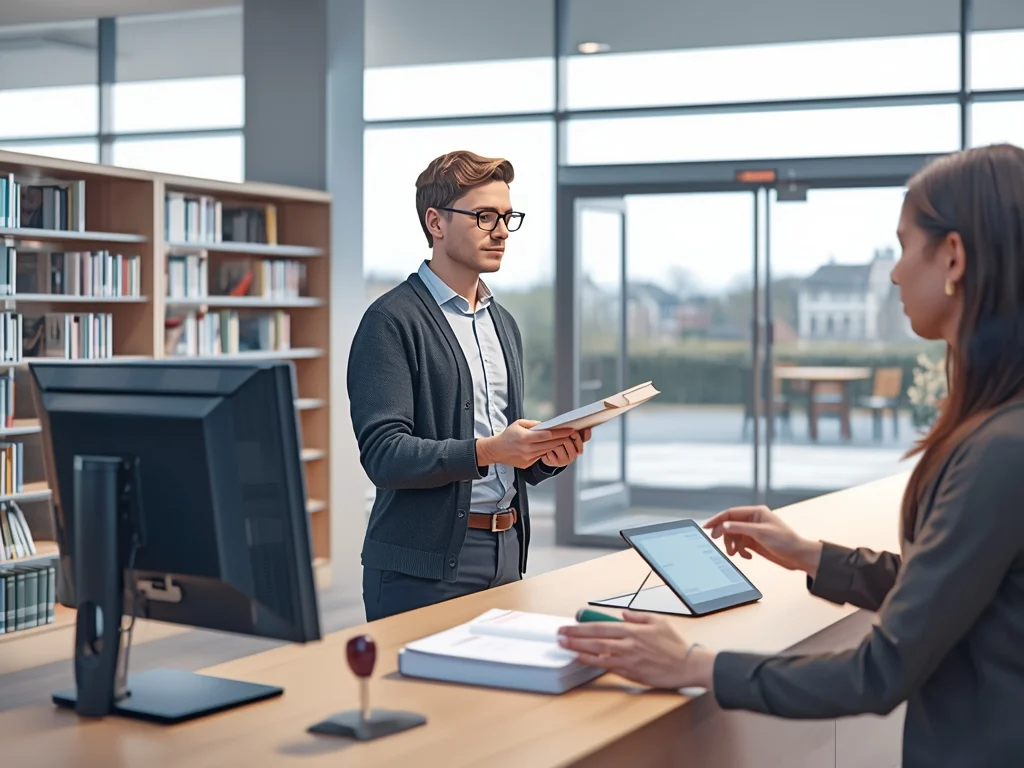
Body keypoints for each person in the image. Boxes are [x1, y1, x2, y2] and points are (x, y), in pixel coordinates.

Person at [558, 143, 1024, 768]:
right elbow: (949, 593)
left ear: (954, 255)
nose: (892, 273)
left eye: (903, 246)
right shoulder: (1001, 429)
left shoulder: (1000, 449)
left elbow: (883, 668)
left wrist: (693, 665)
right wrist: (810, 554)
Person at [349, 150, 590, 621]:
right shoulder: (390, 321)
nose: (501, 231)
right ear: (435, 223)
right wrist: (491, 450)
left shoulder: (503, 323)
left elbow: (504, 458)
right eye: (484, 216)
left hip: (505, 553)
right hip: (421, 570)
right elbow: (384, 455)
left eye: (507, 217)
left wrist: (544, 456)